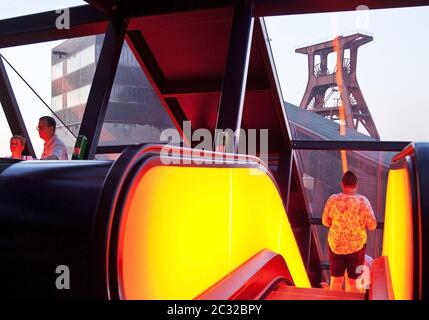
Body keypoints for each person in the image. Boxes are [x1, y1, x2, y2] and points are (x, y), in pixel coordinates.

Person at [322, 170, 377, 292]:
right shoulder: (363, 202)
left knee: (336, 281)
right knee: (354, 283)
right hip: (356, 248)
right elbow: (372, 226)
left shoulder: (333, 200)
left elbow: (325, 221)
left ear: (342, 184)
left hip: (336, 246)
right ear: (357, 185)